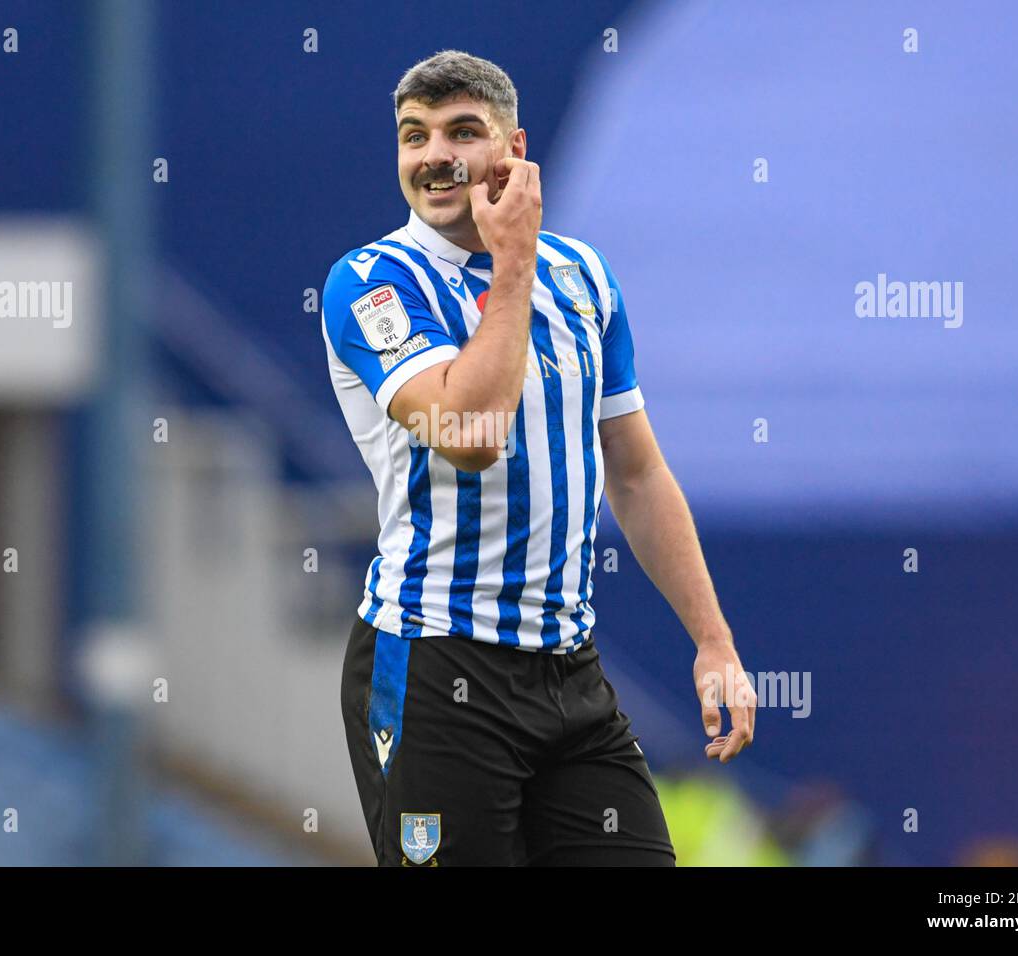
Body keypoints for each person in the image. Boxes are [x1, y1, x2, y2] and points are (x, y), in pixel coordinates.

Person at [321, 50, 755, 866]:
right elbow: (471, 435)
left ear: (514, 150)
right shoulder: (372, 284)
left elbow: (636, 471)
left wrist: (713, 640)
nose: (433, 156)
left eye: (462, 131)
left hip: (568, 669)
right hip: (436, 663)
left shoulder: (583, 275)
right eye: (414, 136)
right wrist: (510, 263)